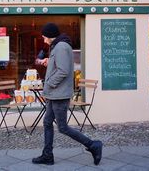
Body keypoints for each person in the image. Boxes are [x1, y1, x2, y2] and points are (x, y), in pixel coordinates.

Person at [32, 22, 103, 166]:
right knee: (47, 123)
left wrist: (49, 83)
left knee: (63, 127)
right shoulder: (57, 46)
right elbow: (59, 66)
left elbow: (63, 71)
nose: (44, 39)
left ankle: (93, 145)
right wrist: (49, 61)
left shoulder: (61, 47)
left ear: (51, 36)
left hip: (59, 94)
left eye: (45, 36)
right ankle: (47, 156)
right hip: (54, 94)